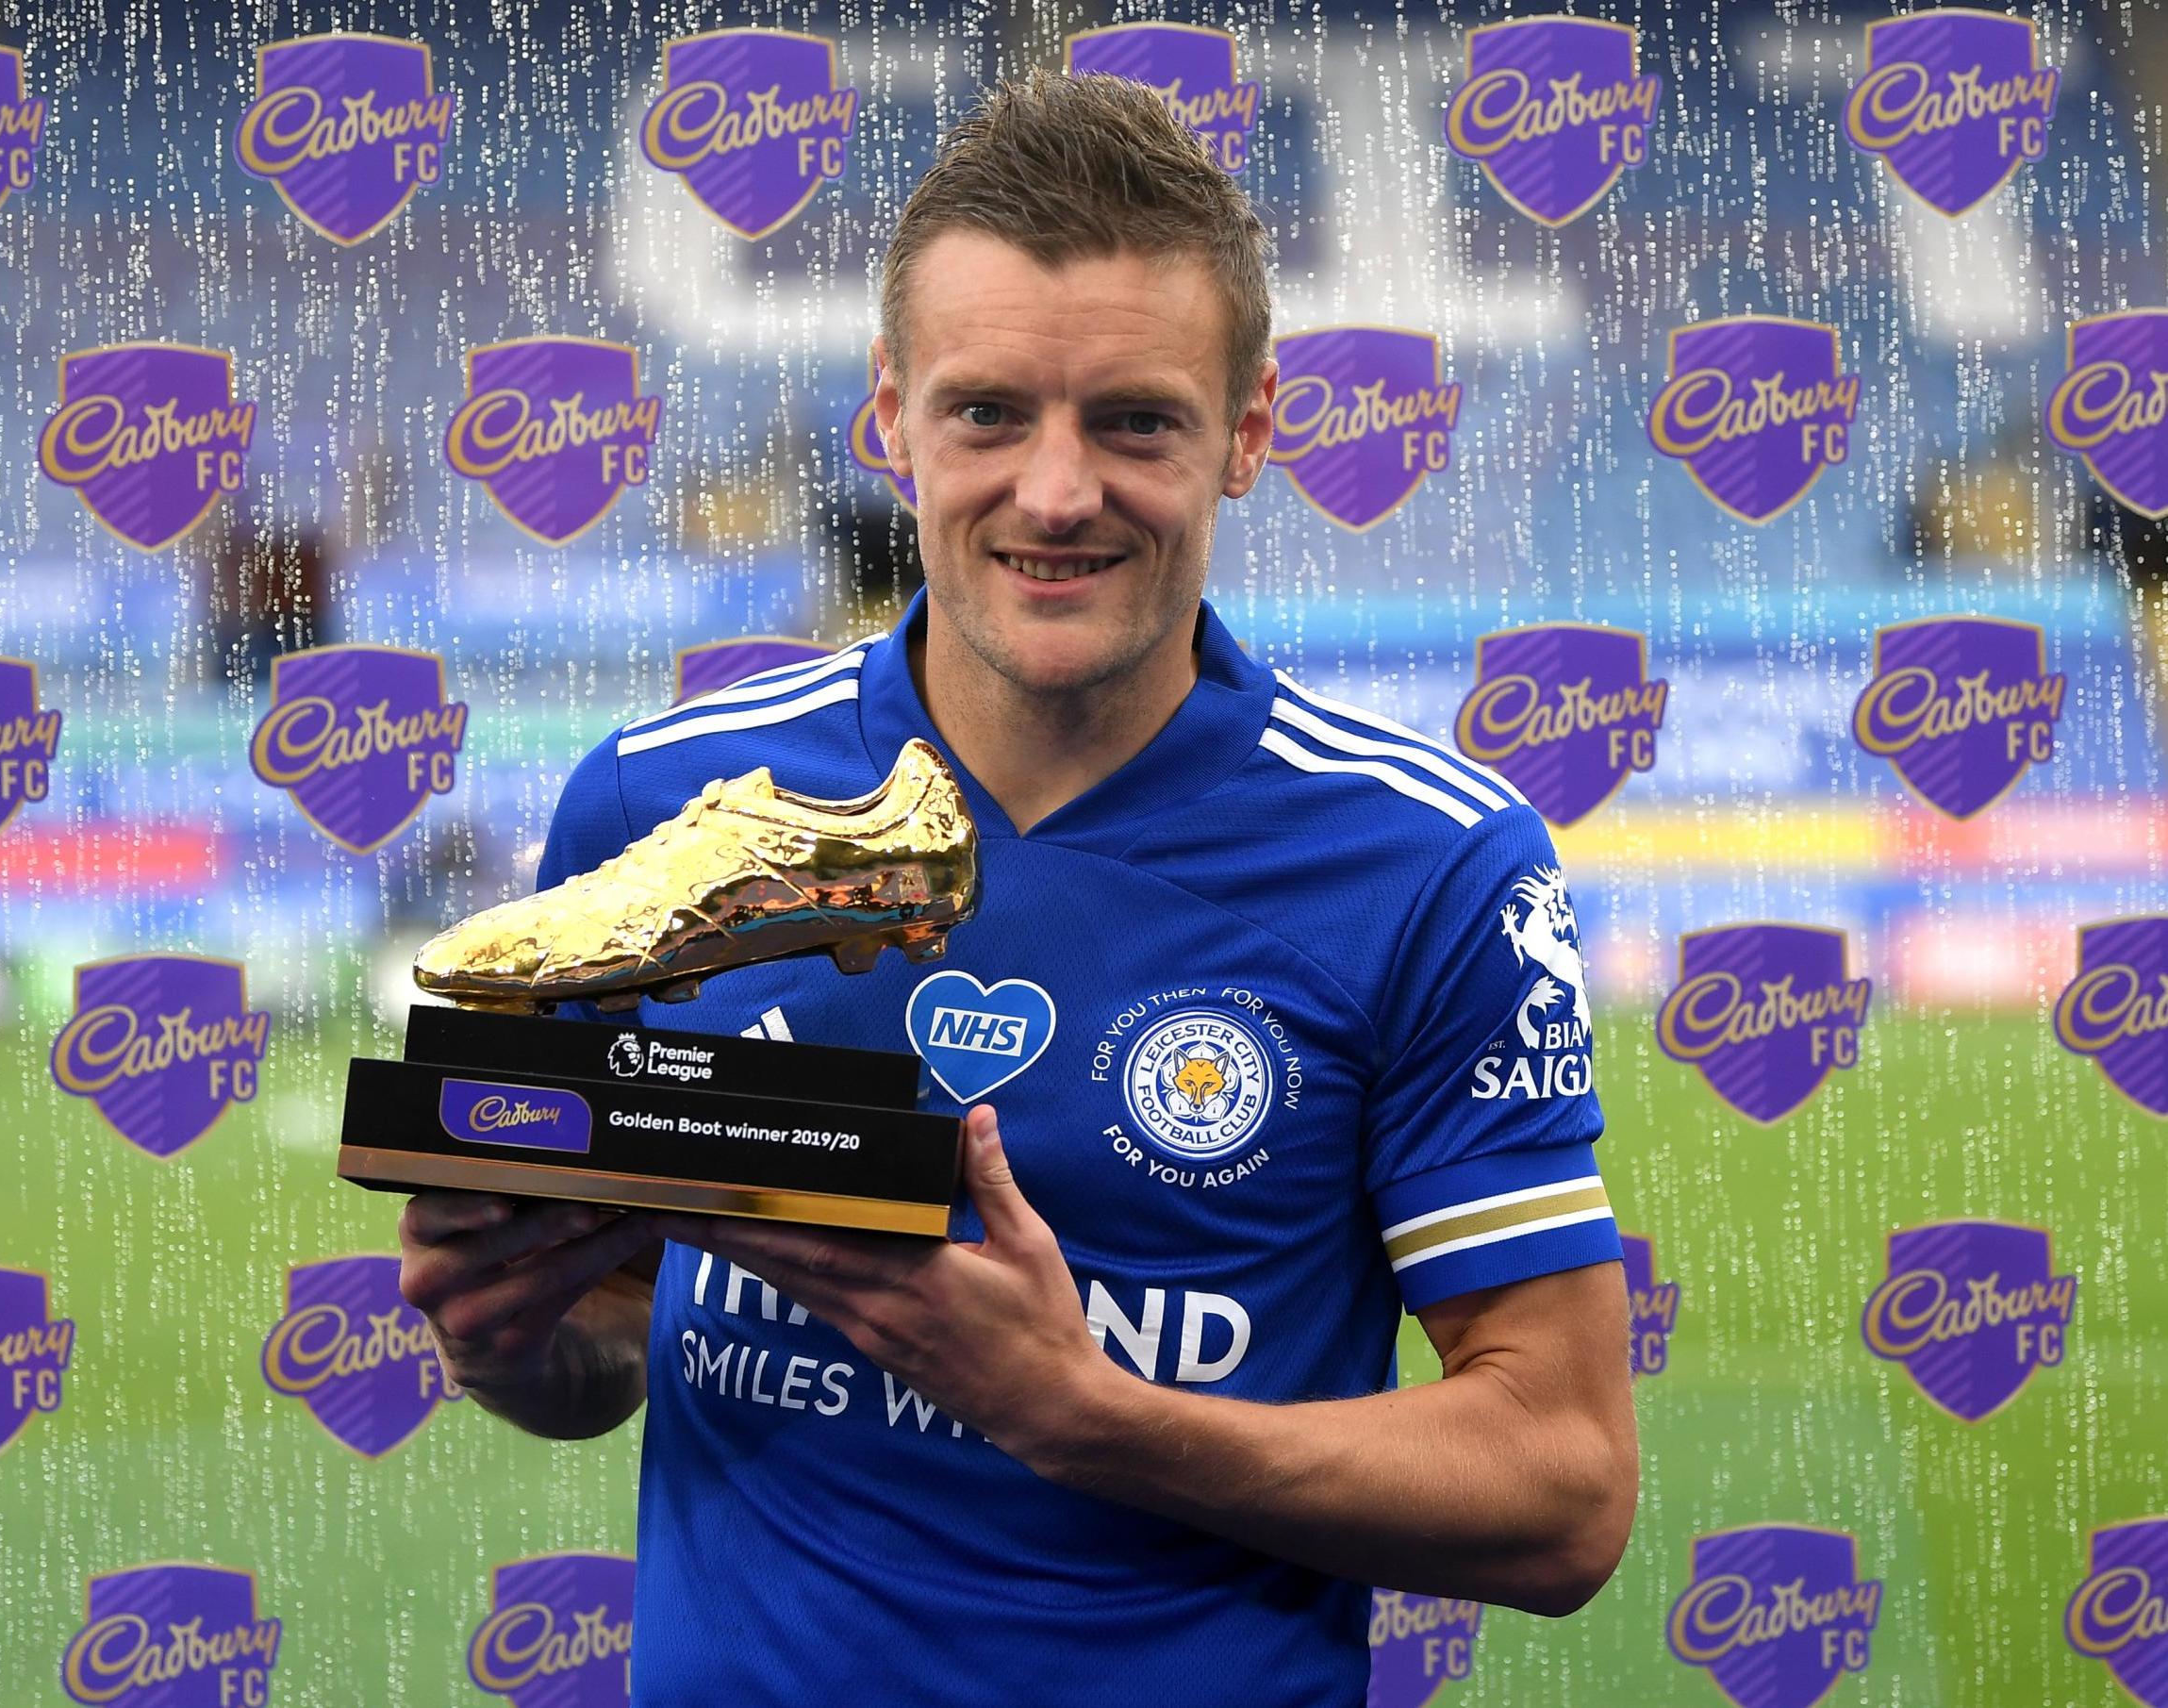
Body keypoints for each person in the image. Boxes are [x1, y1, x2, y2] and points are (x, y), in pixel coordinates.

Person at [397, 69, 1635, 1705]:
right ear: (887, 419)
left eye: (1134, 419)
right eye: (988, 412)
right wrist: (507, 1338)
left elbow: (1559, 1488)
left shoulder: (1429, 868)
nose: (1057, 493)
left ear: (1247, 433)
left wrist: (1083, 1416)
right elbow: (602, 1348)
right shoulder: (661, 812)